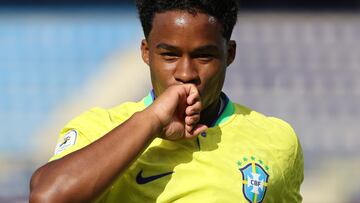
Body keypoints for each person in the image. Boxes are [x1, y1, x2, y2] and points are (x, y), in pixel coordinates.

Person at [29, 0, 304, 202]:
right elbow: (48, 197)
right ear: (146, 52)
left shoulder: (278, 139)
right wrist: (151, 121)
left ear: (229, 54)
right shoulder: (101, 127)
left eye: (204, 56)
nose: (186, 74)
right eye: (170, 56)